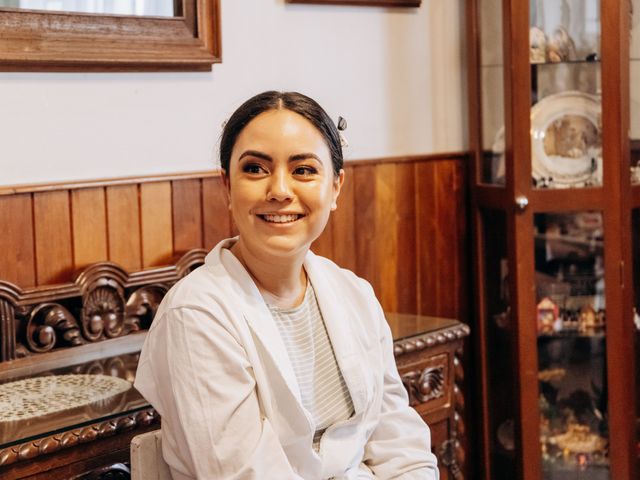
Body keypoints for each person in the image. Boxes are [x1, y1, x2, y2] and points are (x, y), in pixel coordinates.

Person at [134, 91, 439, 479]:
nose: (279, 190)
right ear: (227, 187)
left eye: (304, 170)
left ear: (336, 188)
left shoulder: (353, 294)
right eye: (256, 169)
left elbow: (402, 449)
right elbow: (244, 473)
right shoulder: (196, 316)